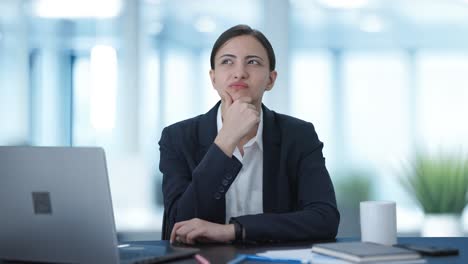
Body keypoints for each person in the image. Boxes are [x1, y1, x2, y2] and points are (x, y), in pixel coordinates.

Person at [159, 24, 339, 244]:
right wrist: (226, 140)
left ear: (271, 79)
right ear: (213, 78)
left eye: (253, 62)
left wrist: (233, 230)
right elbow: (178, 225)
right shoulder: (177, 138)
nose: (239, 72)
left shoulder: (299, 135)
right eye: (227, 61)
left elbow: (324, 219)